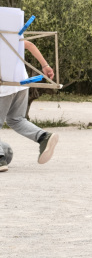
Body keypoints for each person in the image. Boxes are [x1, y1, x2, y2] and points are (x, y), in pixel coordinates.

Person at [0, 10, 58, 169]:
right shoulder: (9, 33)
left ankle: (0, 159)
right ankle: (43, 137)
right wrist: (45, 65)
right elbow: (30, 45)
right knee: (16, 119)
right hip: (21, 82)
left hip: (4, 85)